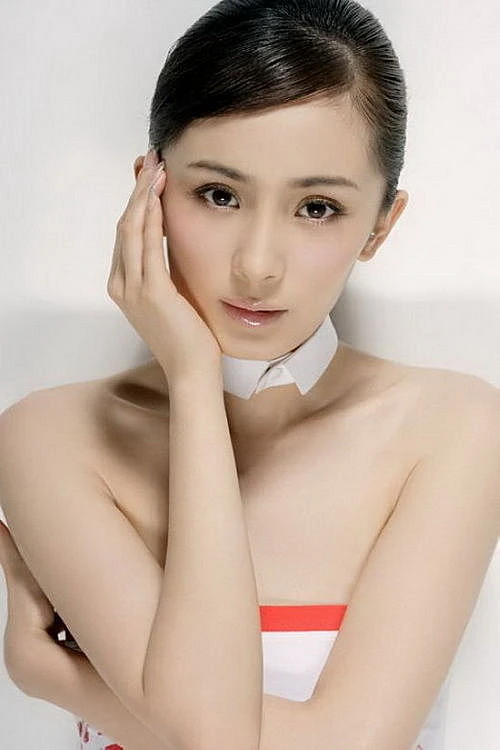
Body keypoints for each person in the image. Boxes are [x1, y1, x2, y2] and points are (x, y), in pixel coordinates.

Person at [0, 0, 499, 749]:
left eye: (318, 207)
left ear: (380, 225)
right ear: (148, 189)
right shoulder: (50, 438)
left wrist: (60, 679)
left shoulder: (452, 429)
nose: (258, 265)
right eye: (220, 195)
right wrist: (194, 382)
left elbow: (237, 738)